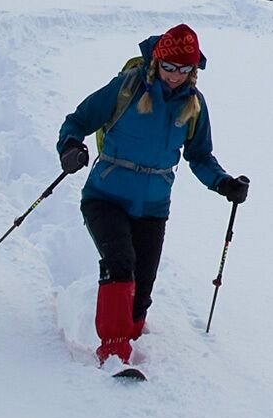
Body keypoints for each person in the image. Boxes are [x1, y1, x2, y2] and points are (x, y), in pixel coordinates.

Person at [56, 24, 248, 373]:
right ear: (157, 61)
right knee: (120, 263)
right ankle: (114, 352)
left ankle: (131, 335)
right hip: (104, 196)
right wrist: (70, 147)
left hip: (153, 207)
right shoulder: (127, 88)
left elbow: (199, 156)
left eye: (184, 69)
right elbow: (78, 120)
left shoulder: (193, 105)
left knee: (141, 290)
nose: (175, 76)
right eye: (169, 67)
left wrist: (224, 183)